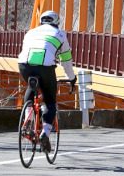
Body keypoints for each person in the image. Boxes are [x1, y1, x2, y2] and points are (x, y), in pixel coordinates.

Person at [17, 10, 76, 152]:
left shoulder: (30, 32)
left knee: (31, 89)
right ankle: (45, 133)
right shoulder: (60, 35)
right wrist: (72, 78)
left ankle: (26, 123)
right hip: (45, 66)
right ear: (56, 22)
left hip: (24, 65)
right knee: (50, 100)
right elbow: (66, 61)